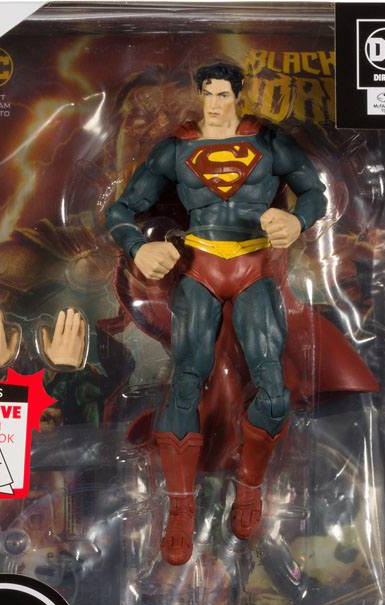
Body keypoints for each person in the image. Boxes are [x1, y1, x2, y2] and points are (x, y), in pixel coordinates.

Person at [106, 62, 327, 565]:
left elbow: (315, 192)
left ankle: (250, 487)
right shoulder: (175, 149)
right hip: (200, 267)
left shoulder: (268, 142)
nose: (214, 103)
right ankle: (180, 509)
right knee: (186, 378)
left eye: (223, 94)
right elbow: (120, 211)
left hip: (254, 267)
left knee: (273, 389)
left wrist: (297, 220)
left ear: (237, 95)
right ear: (199, 94)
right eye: (208, 93)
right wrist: (139, 247)